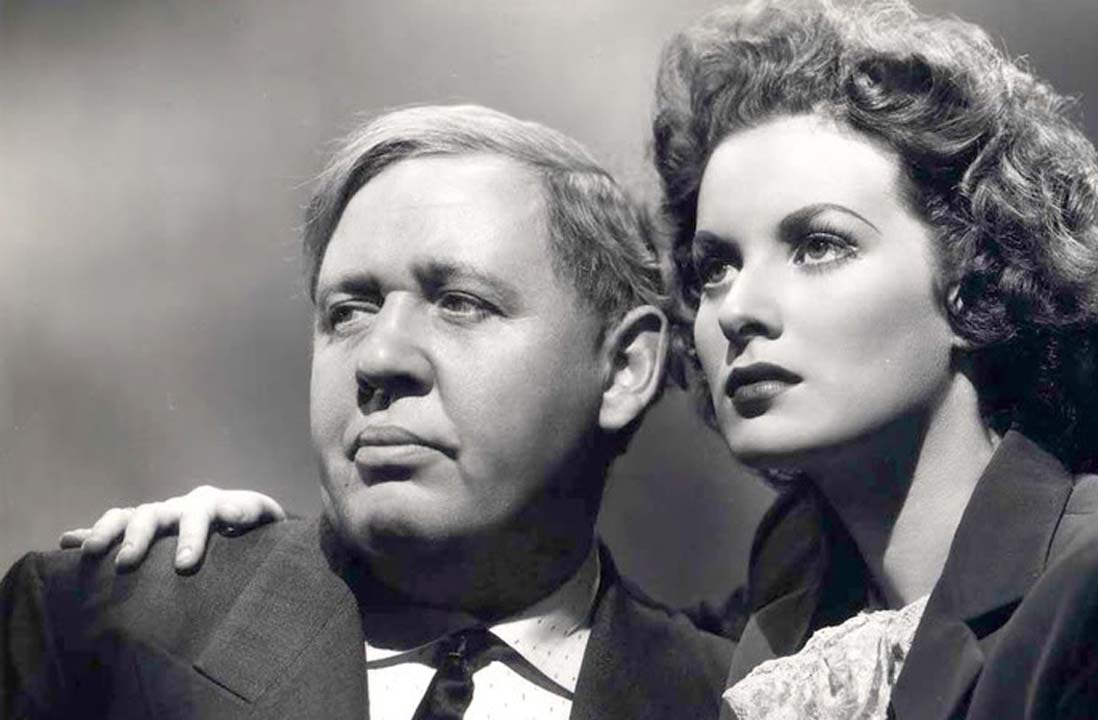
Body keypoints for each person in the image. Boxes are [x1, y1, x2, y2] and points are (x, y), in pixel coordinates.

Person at [53, 1, 1098, 718]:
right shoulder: (762, 639)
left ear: (977, 278)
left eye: (814, 246)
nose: (738, 309)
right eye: (713, 266)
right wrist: (218, 550)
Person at [0, 104, 732, 719]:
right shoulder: (93, 632)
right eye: (348, 311)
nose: (379, 358)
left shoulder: (735, 702)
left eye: (460, 304)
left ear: (625, 368)